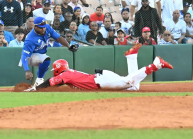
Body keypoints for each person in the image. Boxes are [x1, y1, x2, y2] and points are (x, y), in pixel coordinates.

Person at [24, 44, 173, 92]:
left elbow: (51, 82)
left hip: (102, 81)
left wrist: (37, 88)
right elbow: (57, 82)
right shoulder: (68, 73)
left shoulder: (66, 75)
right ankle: (131, 57)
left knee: (131, 82)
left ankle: (156, 64)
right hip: (102, 78)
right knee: (133, 88)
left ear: (58, 69)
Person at [19, 16, 76, 87]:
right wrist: (27, 71)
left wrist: (68, 46)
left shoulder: (47, 28)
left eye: (44, 27)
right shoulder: (30, 39)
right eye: (41, 27)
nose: (43, 29)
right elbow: (24, 55)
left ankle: (38, 81)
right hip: (28, 57)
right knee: (46, 60)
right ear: (35, 26)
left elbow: (58, 38)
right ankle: (39, 80)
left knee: (45, 64)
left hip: (39, 54)